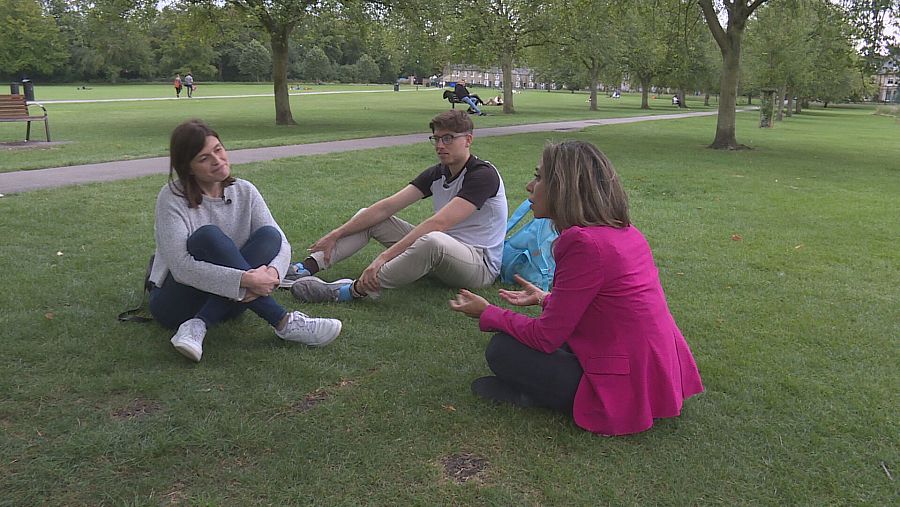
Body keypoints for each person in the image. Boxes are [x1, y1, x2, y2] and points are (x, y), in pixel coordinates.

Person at [449, 141, 703, 436]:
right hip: (649, 367)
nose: (530, 186)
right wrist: (546, 298)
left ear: (564, 188)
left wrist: (488, 312)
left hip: (624, 375)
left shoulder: (584, 243)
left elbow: (545, 337)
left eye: (540, 177)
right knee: (526, 346)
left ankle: (538, 395)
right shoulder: (623, 231)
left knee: (502, 350)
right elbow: (606, 308)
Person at [149, 119, 342, 362]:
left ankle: (199, 324)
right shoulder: (171, 198)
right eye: (203, 158)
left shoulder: (244, 190)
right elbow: (181, 268)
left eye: (218, 150)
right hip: (176, 302)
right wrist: (247, 279)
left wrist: (272, 274)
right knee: (209, 237)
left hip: (233, 301)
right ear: (188, 168)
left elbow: (281, 243)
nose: (217, 160)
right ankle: (284, 321)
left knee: (269, 236)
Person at [287, 110, 507, 303]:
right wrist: (337, 233)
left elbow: (438, 224)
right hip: (440, 256)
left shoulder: (482, 175)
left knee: (433, 239)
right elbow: (387, 207)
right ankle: (304, 269)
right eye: (436, 139)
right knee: (370, 217)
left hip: (478, 265)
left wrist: (384, 258)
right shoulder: (437, 173)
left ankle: (348, 292)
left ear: (468, 140)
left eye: (448, 138)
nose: (440, 146)